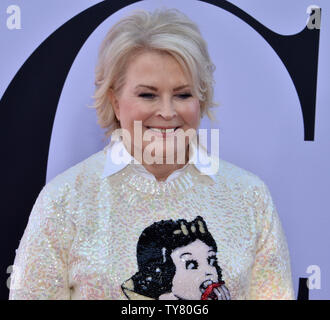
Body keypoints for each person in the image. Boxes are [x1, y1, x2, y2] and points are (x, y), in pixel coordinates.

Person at [9, 8, 294, 300]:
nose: (168, 112)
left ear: (201, 99)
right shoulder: (65, 200)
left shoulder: (249, 197)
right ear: (115, 101)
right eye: (148, 94)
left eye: (183, 95)